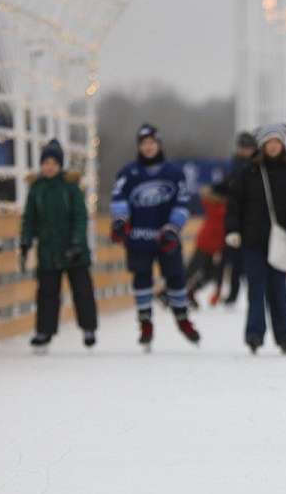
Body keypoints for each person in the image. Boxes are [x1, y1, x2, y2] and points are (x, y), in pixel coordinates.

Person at [111, 124, 200, 350]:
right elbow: (119, 199)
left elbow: (182, 202)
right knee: (142, 279)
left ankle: (182, 318)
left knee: (176, 277)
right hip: (139, 236)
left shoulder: (173, 173)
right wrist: (120, 221)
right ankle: (145, 323)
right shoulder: (128, 173)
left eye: (152, 143)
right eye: (144, 144)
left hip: (165, 235)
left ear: (158, 145)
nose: (148, 147)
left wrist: (173, 227)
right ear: (139, 147)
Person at [225, 123, 286, 355]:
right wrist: (232, 230)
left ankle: (285, 337)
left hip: (280, 240)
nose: (273, 146)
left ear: (282, 144)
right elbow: (235, 203)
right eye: (269, 142)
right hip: (252, 240)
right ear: (262, 145)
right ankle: (254, 335)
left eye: (277, 142)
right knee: (255, 288)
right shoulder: (248, 170)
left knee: (278, 289)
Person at [20, 139, 98, 351]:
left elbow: (80, 217)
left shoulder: (70, 187)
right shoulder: (36, 189)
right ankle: (44, 332)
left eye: (54, 163)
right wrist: (26, 241)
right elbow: (29, 218)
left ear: (60, 165)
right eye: (46, 162)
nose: (49, 167)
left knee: (82, 291)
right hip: (48, 250)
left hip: (75, 251)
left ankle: (88, 327)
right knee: (47, 292)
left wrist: (76, 242)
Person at [223, 132, 258, 306]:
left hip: (253, 221)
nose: (246, 151)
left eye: (249, 147)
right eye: (243, 148)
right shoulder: (234, 165)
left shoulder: (258, 165)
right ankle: (233, 294)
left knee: (252, 262)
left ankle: (255, 294)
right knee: (235, 262)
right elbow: (227, 186)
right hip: (237, 218)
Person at [184, 181, 229, 308]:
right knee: (192, 270)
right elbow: (204, 192)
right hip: (205, 243)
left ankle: (190, 292)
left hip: (216, 247)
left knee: (210, 274)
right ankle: (170, 293)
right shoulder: (213, 204)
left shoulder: (229, 207)